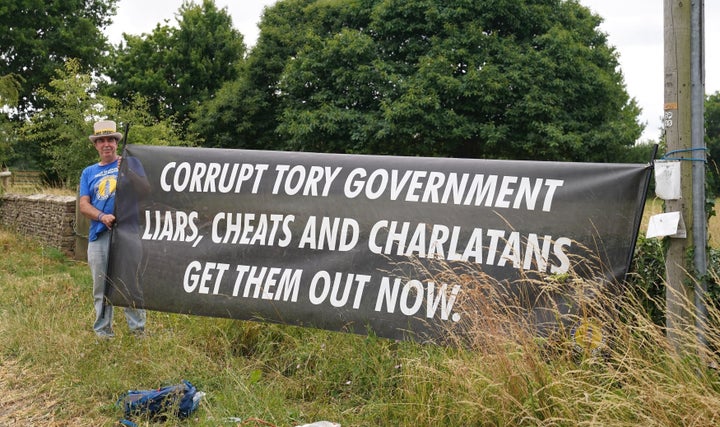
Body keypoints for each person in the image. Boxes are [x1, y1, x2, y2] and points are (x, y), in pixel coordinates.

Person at [79, 120, 146, 338]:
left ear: (116, 143)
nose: (106, 144)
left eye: (110, 140)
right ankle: (103, 333)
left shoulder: (131, 163)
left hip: (127, 233)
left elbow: (146, 190)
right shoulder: (88, 172)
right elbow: (83, 204)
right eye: (101, 141)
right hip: (99, 235)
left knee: (130, 283)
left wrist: (127, 171)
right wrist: (102, 216)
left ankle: (138, 332)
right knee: (101, 287)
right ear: (96, 145)